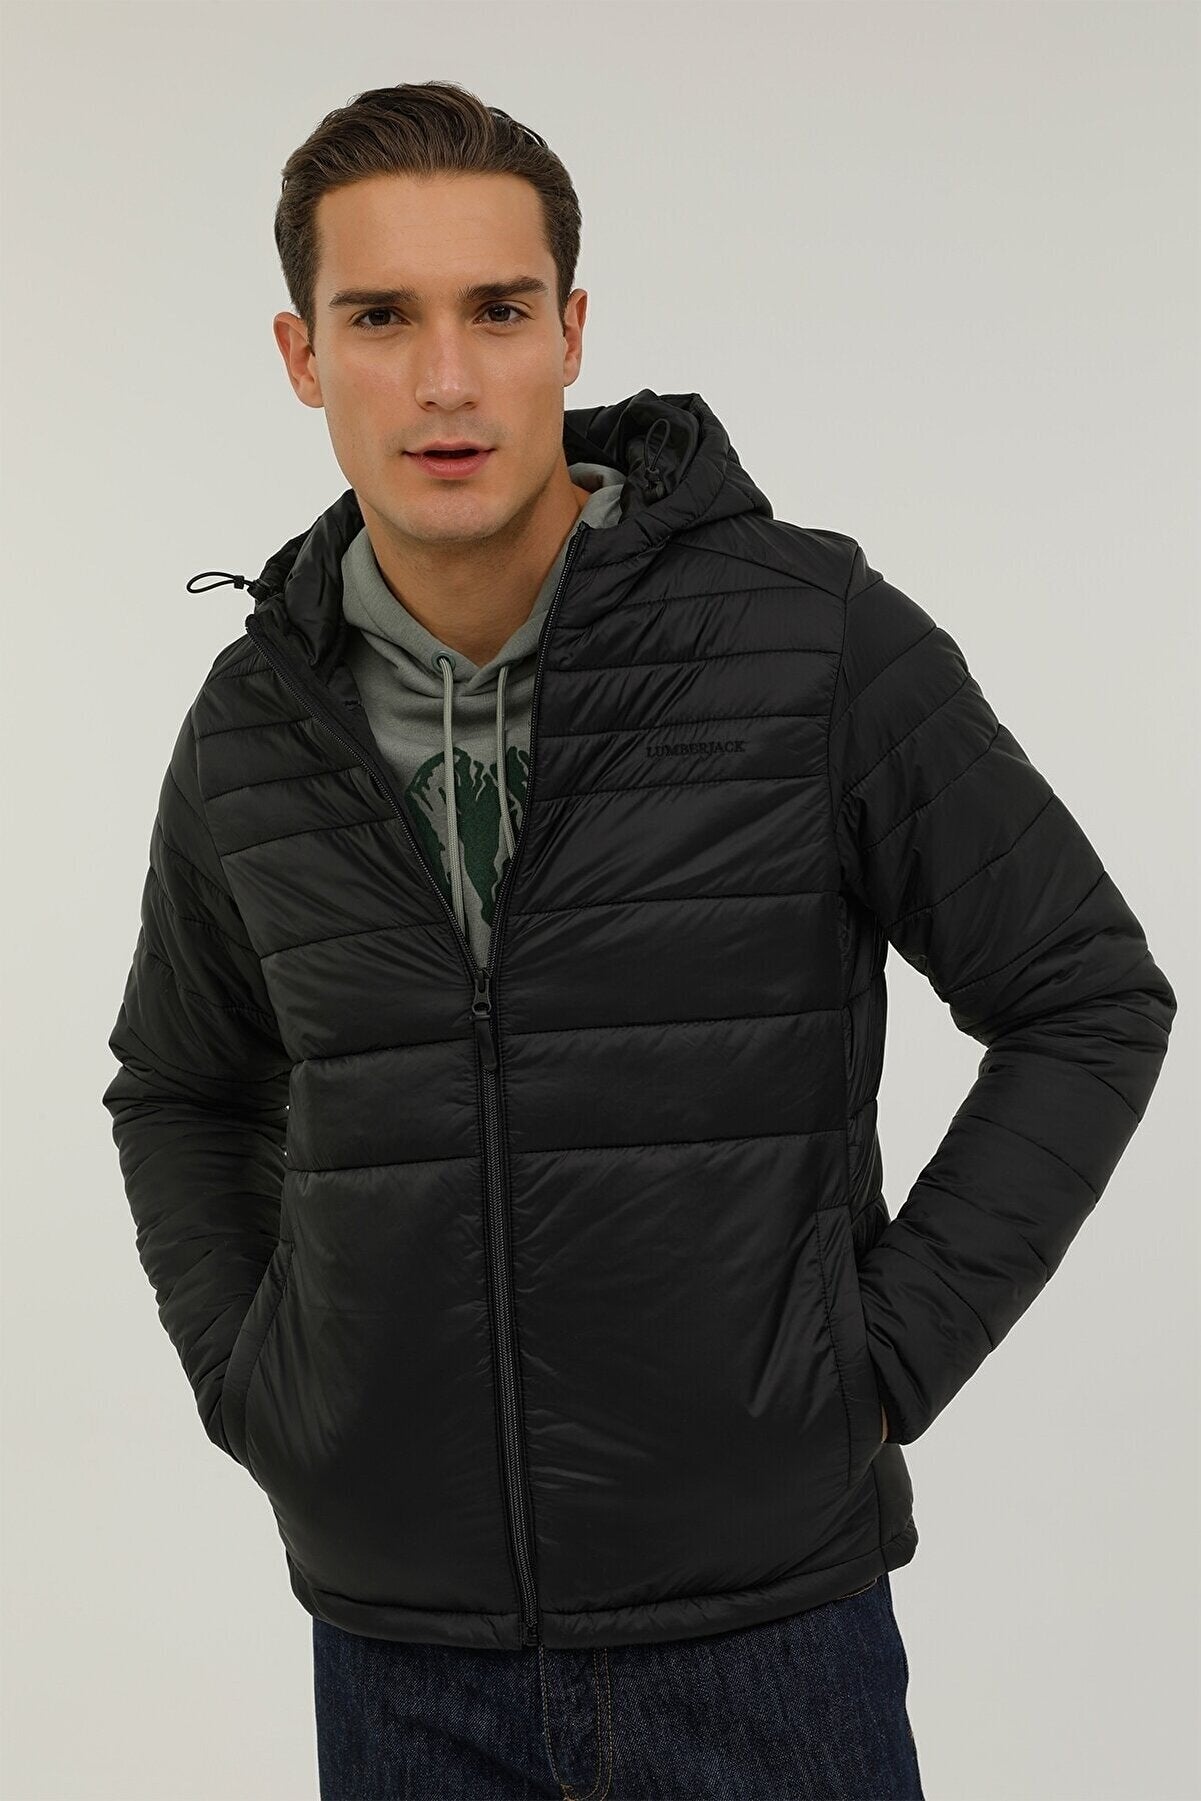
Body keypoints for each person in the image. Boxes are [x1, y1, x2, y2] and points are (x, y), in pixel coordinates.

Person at [102, 82, 1176, 1801]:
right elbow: (179, 1083)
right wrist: (266, 1392)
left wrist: (872, 1364)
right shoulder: (255, 723)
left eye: (496, 310)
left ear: (570, 332)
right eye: (380, 318)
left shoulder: (805, 641)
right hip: (398, 1651)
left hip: (763, 1642)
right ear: (302, 355)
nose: (444, 379)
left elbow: (1082, 997)